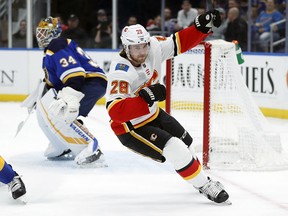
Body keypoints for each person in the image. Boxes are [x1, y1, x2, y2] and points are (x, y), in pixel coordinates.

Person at [105, 10, 230, 204]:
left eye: (143, 46)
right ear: (125, 47)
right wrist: (144, 99)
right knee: (176, 148)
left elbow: (176, 43)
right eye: (135, 48)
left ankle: (198, 177)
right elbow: (115, 112)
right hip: (130, 128)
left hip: (153, 114)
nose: (141, 52)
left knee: (187, 142)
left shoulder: (152, 47)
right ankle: (204, 185)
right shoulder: (120, 71)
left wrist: (200, 28)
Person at [35, 16, 107, 167]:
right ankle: (63, 144)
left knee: (63, 111)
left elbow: (75, 75)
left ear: (54, 33)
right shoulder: (51, 50)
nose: (41, 36)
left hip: (89, 81)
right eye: (40, 32)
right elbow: (55, 82)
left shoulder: (57, 44)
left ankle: (91, 147)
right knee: (53, 109)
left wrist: (71, 98)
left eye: (45, 32)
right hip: (90, 82)